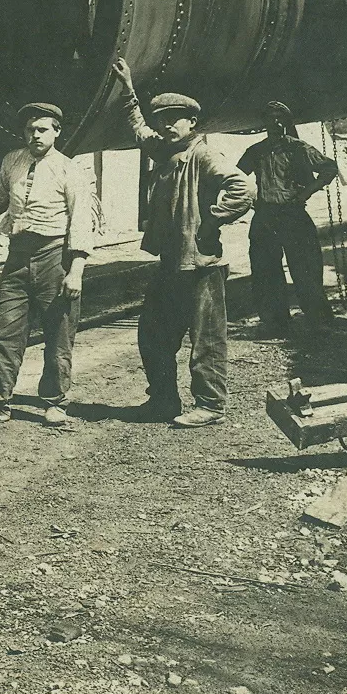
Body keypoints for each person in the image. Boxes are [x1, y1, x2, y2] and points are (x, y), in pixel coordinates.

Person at [110, 58, 254, 428]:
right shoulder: (162, 149)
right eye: (163, 118)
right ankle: (163, 401)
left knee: (205, 339)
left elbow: (243, 188)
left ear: (192, 122)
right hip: (172, 262)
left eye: (176, 118)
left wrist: (211, 221)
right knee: (154, 334)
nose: (167, 123)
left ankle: (210, 405)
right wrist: (128, 88)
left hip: (201, 265)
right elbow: (138, 127)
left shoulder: (203, 154)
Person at [0, 102, 98, 427]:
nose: (35, 135)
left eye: (42, 129)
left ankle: (55, 403)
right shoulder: (12, 161)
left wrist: (76, 270)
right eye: (30, 130)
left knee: (58, 335)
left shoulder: (71, 169)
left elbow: (82, 220)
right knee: (6, 331)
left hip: (55, 255)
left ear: (56, 131)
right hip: (18, 257)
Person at [238, 101, 340, 331]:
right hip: (265, 217)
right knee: (265, 269)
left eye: (279, 118)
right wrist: (250, 197)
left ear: (286, 122)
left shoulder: (299, 148)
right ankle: (275, 321)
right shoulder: (256, 151)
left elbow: (329, 168)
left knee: (306, 268)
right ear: (264, 123)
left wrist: (306, 192)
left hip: (294, 216)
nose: (274, 123)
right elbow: (237, 175)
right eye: (270, 118)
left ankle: (318, 320)